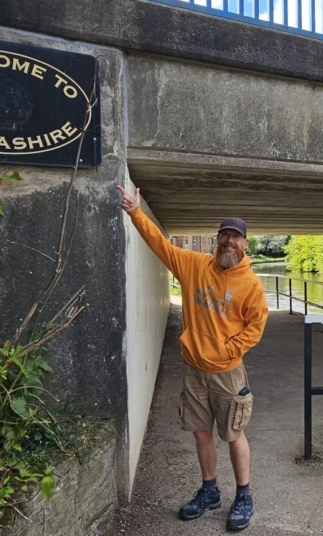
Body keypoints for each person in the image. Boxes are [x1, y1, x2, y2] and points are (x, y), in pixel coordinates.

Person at [117, 185, 269, 532]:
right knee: (201, 434)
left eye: (236, 237)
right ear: (217, 239)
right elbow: (160, 245)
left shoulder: (251, 286)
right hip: (194, 371)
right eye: (225, 235)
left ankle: (244, 495)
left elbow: (255, 327)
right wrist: (135, 212)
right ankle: (209, 491)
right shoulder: (193, 265)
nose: (229, 241)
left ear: (245, 243)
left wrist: (226, 351)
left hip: (228, 374)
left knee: (233, 435)